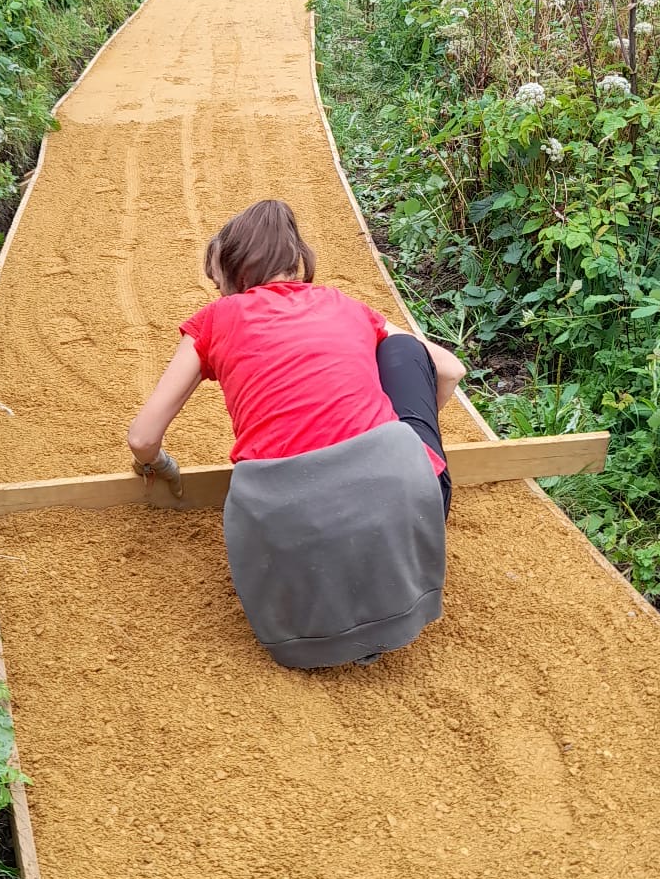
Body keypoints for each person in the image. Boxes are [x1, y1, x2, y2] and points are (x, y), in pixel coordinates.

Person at [126, 199, 467, 668]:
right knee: (405, 350)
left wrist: (156, 465)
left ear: (231, 273)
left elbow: (143, 437)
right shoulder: (344, 305)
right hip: (403, 494)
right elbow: (448, 368)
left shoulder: (214, 320)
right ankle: (390, 508)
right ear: (296, 260)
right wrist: (402, 440)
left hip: (278, 526)